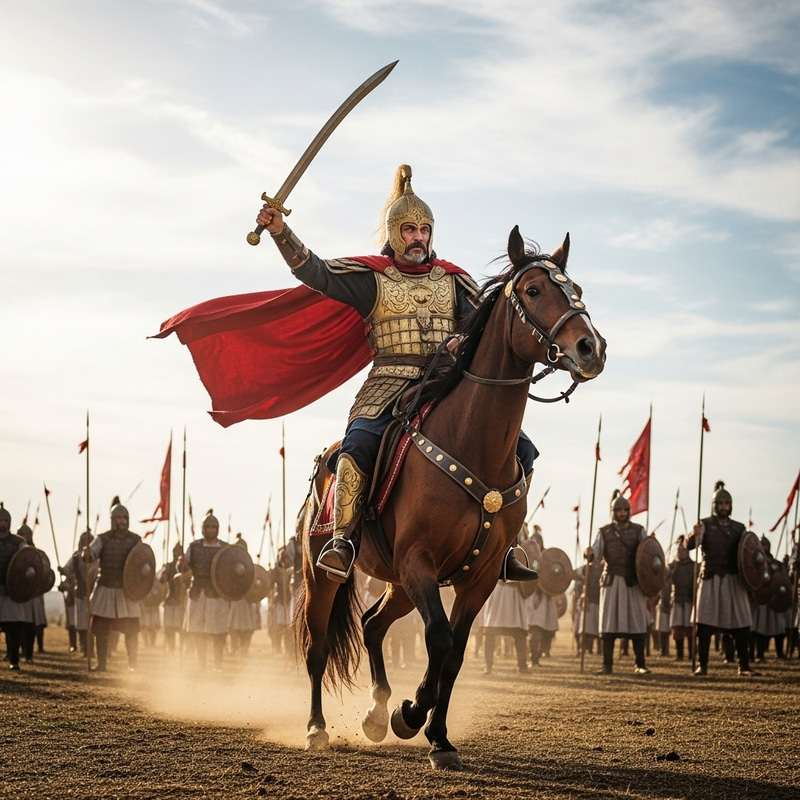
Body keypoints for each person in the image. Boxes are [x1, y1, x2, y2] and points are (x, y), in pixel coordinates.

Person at [256, 164, 539, 583]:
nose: (418, 238)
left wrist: (466, 341)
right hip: (388, 387)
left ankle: (505, 546)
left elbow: (483, 326)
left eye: (424, 230)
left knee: (522, 450)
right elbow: (314, 271)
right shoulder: (373, 278)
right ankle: (343, 540)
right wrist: (280, 231)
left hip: (447, 386)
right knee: (356, 449)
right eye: (409, 229)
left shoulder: (456, 281)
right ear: (394, 233)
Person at [685, 481, 753, 676]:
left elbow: (748, 552)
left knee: (741, 624)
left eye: (726, 503)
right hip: (711, 577)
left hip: (733, 579)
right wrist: (693, 535)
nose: (723, 506)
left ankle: (744, 666)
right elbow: (690, 545)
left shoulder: (739, 528)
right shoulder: (705, 524)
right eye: (720, 503)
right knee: (704, 625)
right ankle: (702, 665)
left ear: (730, 505)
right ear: (715, 505)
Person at [587, 491, 651, 675]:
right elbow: (597, 557)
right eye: (619, 509)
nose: (622, 512)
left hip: (633, 582)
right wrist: (590, 554)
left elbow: (647, 555)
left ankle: (640, 664)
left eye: (625, 509)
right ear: (613, 511)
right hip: (612, 581)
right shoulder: (604, 532)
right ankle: (607, 665)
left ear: (629, 511)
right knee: (609, 625)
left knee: (637, 624)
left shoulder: (639, 531)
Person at [83, 498, 143, 672]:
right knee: (101, 629)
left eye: (124, 517)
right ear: (113, 519)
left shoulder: (135, 540)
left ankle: (133, 663)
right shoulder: (103, 539)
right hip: (106, 587)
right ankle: (102, 664)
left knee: (131, 629)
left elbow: (141, 562)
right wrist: (87, 554)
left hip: (127, 590)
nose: (122, 521)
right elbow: (90, 556)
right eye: (119, 517)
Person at [180, 511, 230, 671]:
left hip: (217, 594)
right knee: (198, 631)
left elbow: (231, 571)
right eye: (208, 527)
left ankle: (218, 664)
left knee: (218, 632)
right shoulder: (194, 547)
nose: (210, 530)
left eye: (213, 527)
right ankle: (202, 664)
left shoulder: (224, 548)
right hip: (198, 593)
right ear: (203, 528)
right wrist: (181, 564)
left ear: (217, 529)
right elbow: (183, 567)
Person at [0, 504, 29, 670]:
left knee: (14, 628)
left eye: (5, 520)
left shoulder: (18, 542)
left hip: (11, 591)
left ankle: (14, 660)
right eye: (0, 520)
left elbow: (26, 559)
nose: (2, 524)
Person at [61, 530, 93, 655]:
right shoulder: (76, 558)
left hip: (93, 593)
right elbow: (67, 570)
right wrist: (63, 571)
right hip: (78, 592)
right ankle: (83, 646)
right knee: (80, 623)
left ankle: (90, 649)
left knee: (92, 623)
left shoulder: (96, 556)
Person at [667, 539, 694, 661]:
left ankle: (692, 654)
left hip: (689, 599)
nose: (680, 553)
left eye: (682, 550)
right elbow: (664, 577)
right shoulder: (673, 566)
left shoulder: (693, 566)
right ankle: (679, 655)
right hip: (677, 599)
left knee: (690, 629)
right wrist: (668, 571)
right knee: (678, 629)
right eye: (679, 551)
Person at [159, 543, 184, 654]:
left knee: (182, 628)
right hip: (170, 599)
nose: (176, 554)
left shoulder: (185, 566)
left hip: (181, 600)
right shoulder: (169, 566)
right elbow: (161, 581)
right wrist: (164, 574)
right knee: (169, 628)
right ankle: (171, 648)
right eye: (175, 552)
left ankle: (183, 650)